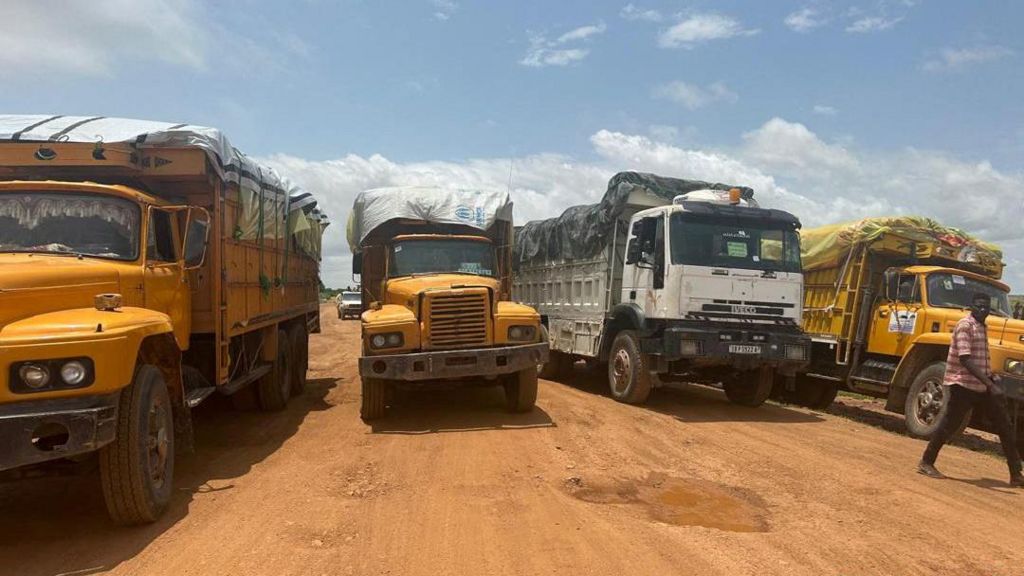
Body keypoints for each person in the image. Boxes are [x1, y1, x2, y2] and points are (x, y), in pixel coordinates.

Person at [918, 293, 1024, 487]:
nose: (983, 310)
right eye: (979, 306)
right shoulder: (965, 326)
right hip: (963, 384)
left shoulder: (982, 326)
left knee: (1005, 426)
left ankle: (1016, 475)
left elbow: (979, 359)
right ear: (972, 307)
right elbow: (965, 359)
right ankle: (926, 461)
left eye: (986, 307)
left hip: (981, 385)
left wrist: (991, 377)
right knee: (950, 425)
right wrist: (991, 385)